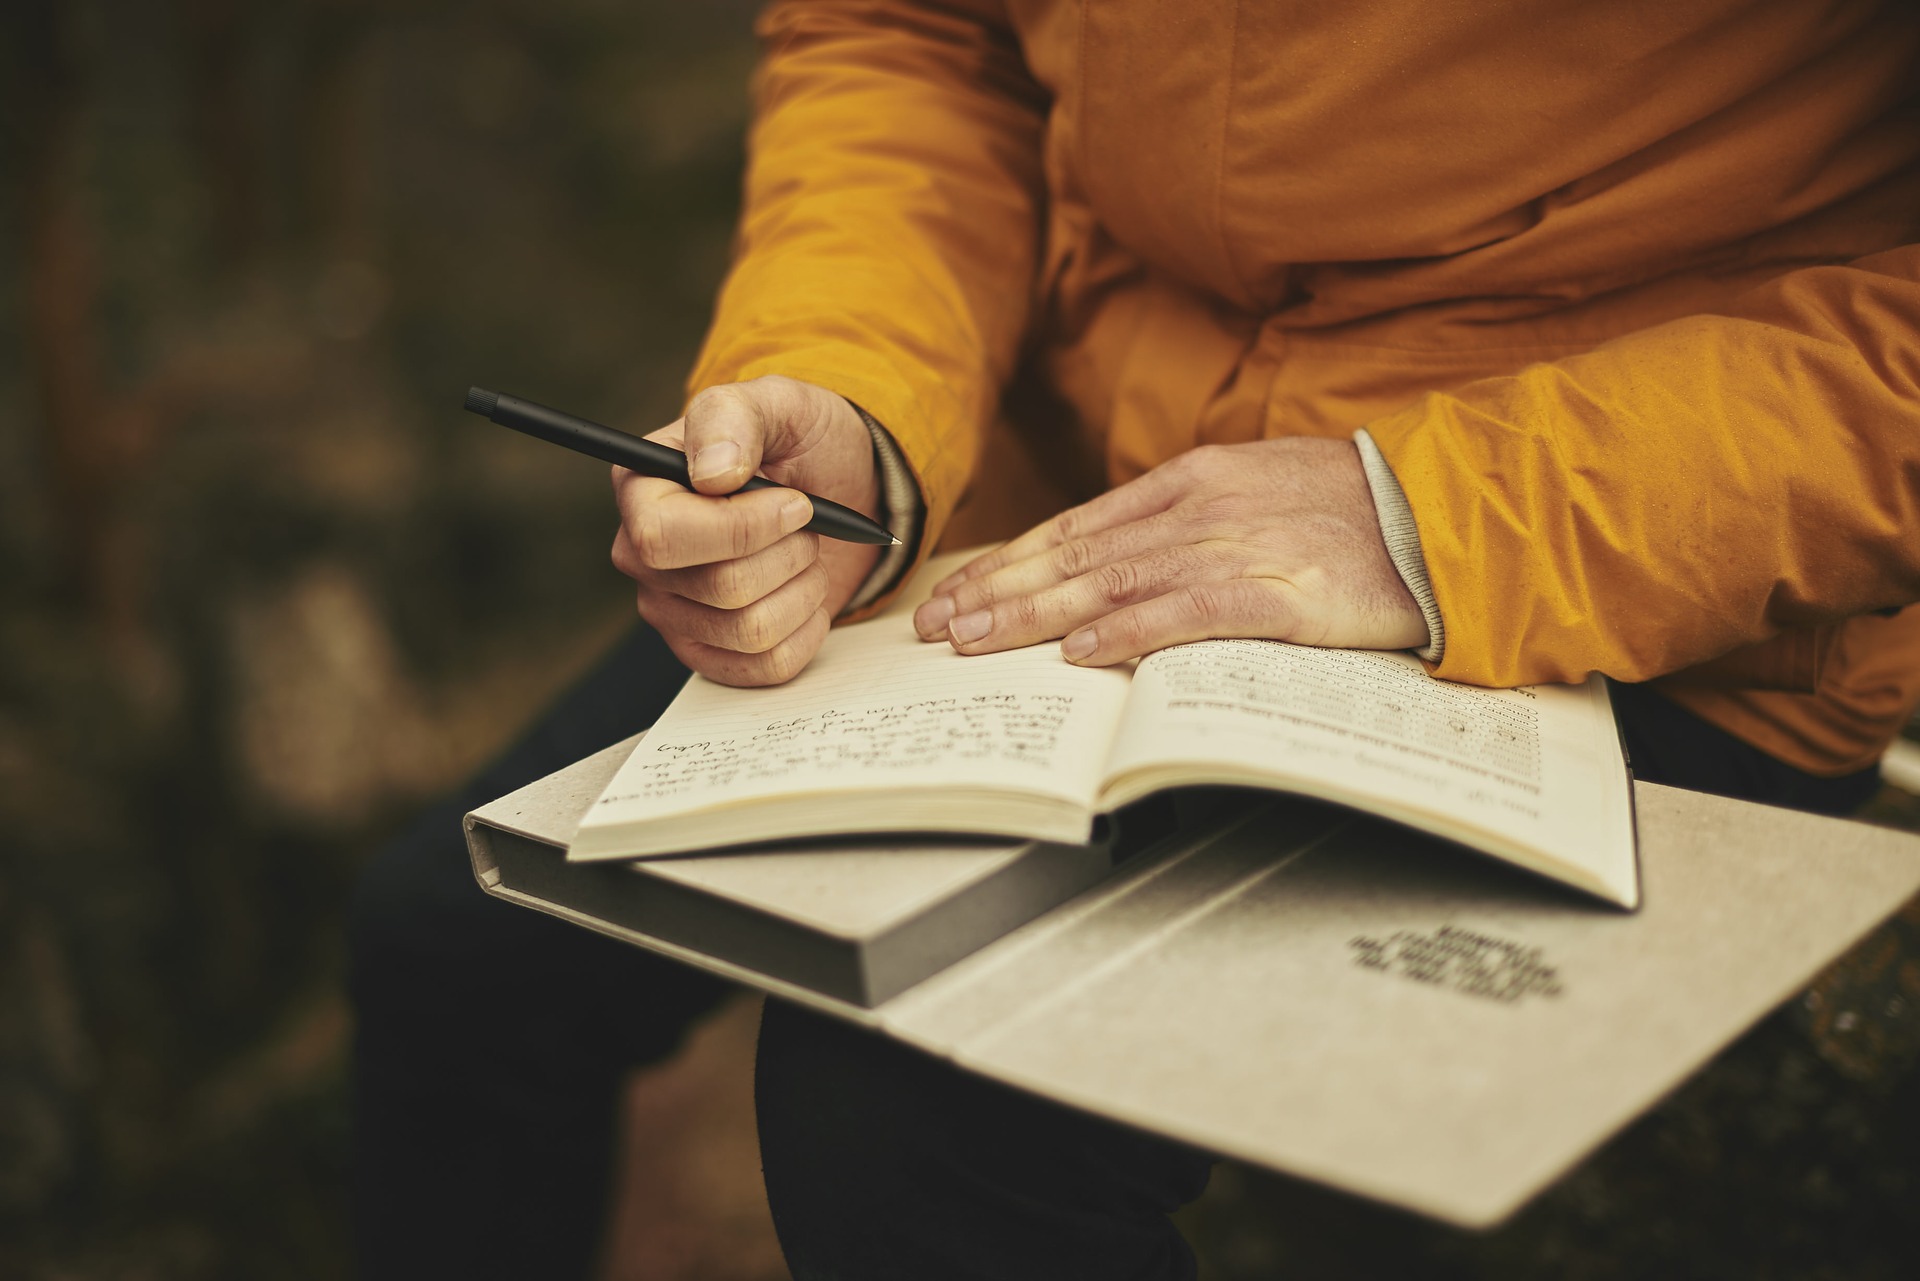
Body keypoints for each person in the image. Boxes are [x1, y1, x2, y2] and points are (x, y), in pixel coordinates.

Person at [350, 2, 1920, 1277]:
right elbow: (910, 32)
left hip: (1633, 579)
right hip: (1058, 502)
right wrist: (855, 390)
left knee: (916, 1123)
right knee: (456, 938)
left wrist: (1441, 512)